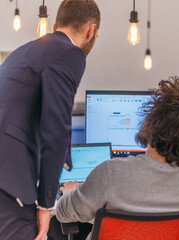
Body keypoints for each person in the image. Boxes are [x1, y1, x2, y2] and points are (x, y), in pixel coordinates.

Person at [49, 77, 179, 240]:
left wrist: (69, 193)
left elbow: (64, 213)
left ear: (150, 127)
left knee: (55, 225)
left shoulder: (111, 173)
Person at [0, 1, 100, 239]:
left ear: (55, 25)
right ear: (91, 30)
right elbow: (55, 128)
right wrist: (46, 205)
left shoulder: (27, 51)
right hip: (10, 179)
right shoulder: (70, 53)